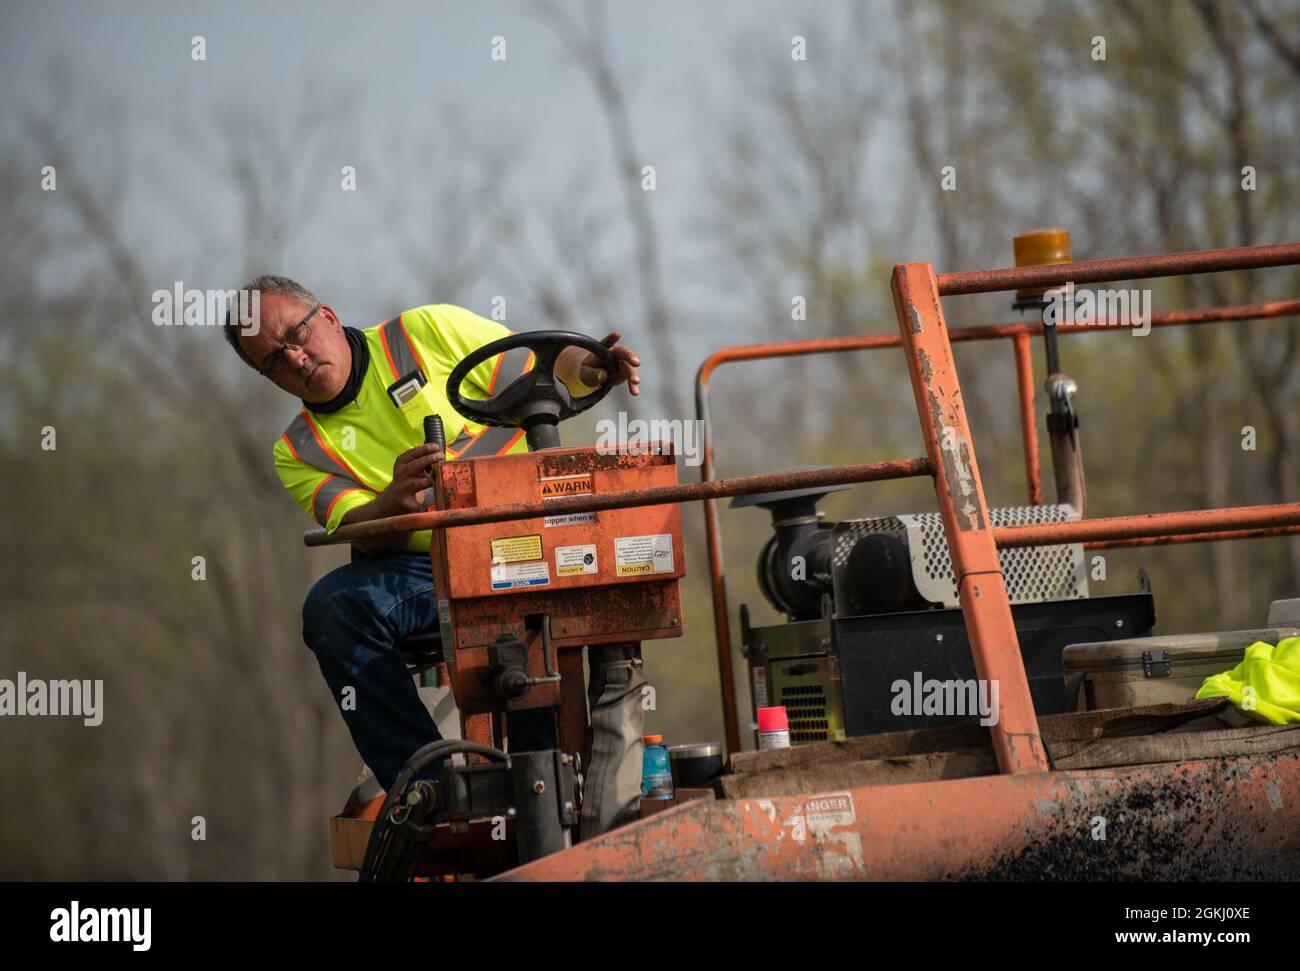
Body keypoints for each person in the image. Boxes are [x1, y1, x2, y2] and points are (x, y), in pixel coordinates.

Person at [222, 276, 640, 791]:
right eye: (274, 361)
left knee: (632, 549)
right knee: (333, 608)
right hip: (433, 567)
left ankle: (557, 779)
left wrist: (593, 365)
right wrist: (393, 502)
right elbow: (359, 530)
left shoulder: (425, 332)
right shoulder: (299, 450)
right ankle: (432, 788)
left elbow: (544, 369)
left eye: (296, 335)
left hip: (539, 535)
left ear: (327, 316)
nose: (296, 359)